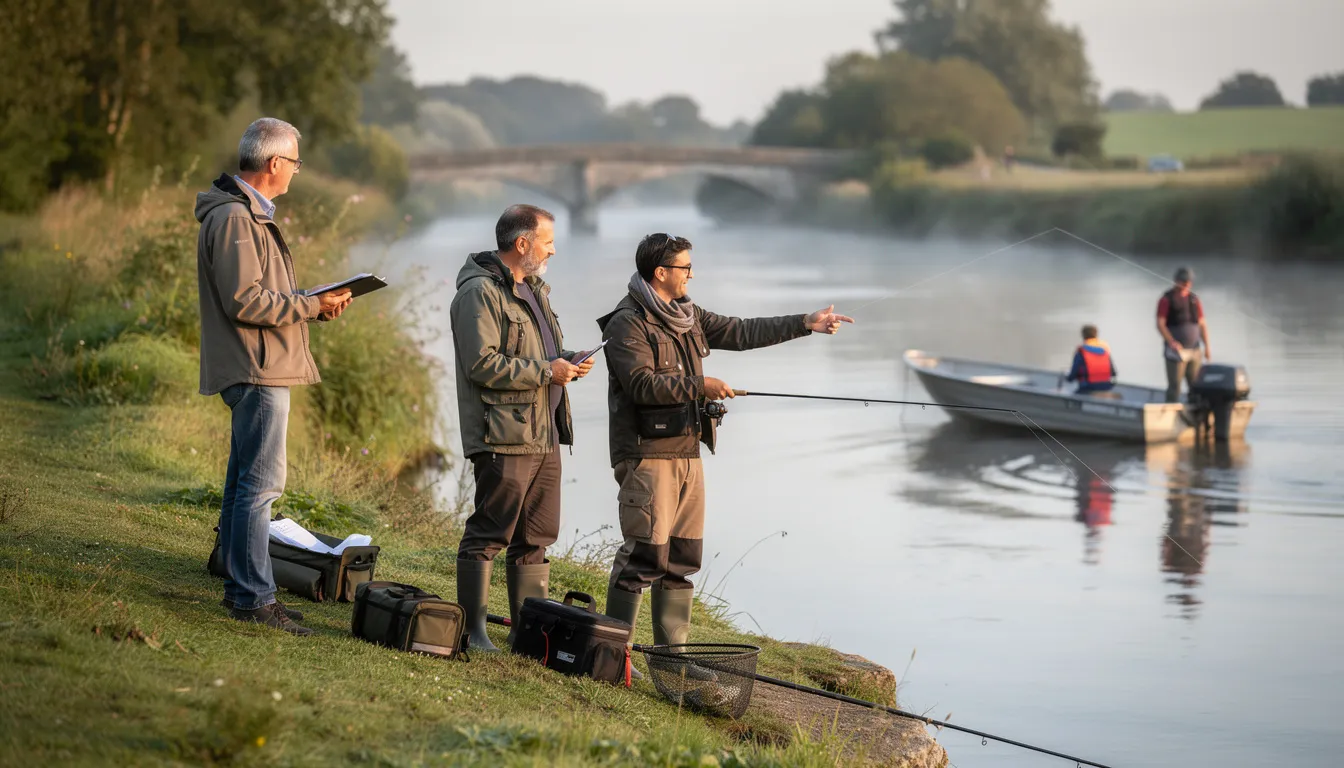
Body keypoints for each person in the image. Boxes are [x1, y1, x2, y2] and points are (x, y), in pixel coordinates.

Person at [596, 232, 854, 659]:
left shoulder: (687, 313)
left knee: (681, 558)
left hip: (688, 451)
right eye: (685, 268)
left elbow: (741, 331)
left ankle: (670, 660)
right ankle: (611, 658)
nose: (691, 275)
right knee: (643, 558)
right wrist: (702, 385)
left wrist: (805, 323)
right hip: (647, 454)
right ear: (661, 273)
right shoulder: (628, 321)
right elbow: (641, 385)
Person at [195, 117, 353, 636]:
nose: (296, 173)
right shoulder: (238, 220)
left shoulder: (246, 216)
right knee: (259, 489)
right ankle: (254, 598)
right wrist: (308, 305)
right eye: (295, 163)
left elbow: (264, 296)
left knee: (245, 486)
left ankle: (244, 590)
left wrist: (314, 305)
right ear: (274, 164)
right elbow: (246, 300)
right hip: (256, 368)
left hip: (259, 364)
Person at [449, 204, 595, 652]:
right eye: (548, 241)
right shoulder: (478, 292)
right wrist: (546, 371)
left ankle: (526, 636)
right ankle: (473, 633)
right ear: (522, 244)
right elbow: (481, 364)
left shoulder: (533, 288)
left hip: (544, 432)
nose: (553, 250)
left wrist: (567, 361)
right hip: (504, 436)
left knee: (536, 537)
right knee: (490, 533)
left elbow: (538, 351)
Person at [1156, 266, 1211, 403]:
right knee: (1175, 386)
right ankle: (1170, 414)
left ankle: (1195, 415)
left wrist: (1207, 347)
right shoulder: (1166, 299)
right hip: (1176, 352)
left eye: (1188, 282)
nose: (1186, 284)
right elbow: (1160, 324)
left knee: (1195, 386)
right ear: (1176, 281)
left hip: (1194, 350)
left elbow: (1202, 325)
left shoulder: (1194, 299)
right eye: (1183, 281)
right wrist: (1171, 342)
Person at [1065, 324, 1117, 395]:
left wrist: (1068, 378)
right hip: (1106, 387)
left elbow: (1072, 376)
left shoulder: (1081, 352)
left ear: (1083, 336)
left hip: (1088, 388)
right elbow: (1113, 373)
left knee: (1072, 396)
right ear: (1096, 335)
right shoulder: (1104, 351)